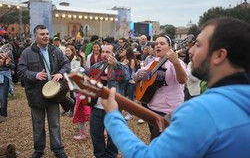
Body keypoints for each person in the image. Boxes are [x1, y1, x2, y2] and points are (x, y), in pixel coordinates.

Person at [100, 17, 250, 158]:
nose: (190, 51)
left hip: (169, 108)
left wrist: (113, 116)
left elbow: (149, 156)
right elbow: (138, 75)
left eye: (198, 45)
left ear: (219, 55)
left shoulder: (200, 112)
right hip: (153, 105)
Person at [18, 25, 70, 158]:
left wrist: (60, 73)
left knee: (55, 124)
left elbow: (66, 64)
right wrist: (34, 75)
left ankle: (58, 149)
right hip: (35, 94)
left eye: (47, 33)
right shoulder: (27, 53)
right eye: (42, 34)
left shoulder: (55, 50)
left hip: (53, 94)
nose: (46, 36)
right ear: (35, 36)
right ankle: (39, 149)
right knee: (38, 124)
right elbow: (21, 71)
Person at [135, 34, 187, 140]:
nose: (158, 46)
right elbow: (137, 77)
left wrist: (176, 62)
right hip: (152, 108)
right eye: (156, 44)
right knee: (155, 139)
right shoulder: (154, 63)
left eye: (162, 43)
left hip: (169, 111)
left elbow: (183, 80)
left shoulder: (177, 63)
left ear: (170, 48)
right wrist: (138, 74)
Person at [88, 44, 129, 158]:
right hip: (96, 106)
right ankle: (100, 155)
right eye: (103, 51)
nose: (105, 54)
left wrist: (116, 65)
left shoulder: (120, 66)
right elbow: (87, 77)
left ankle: (111, 155)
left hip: (113, 107)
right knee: (96, 135)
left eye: (108, 52)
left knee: (113, 135)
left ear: (114, 54)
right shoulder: (96, 65)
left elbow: (127, 76)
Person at [0, 47, 15, 123]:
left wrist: (8, 64)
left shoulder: (7, 51)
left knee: (3, 97)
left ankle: (3, 114)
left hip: (4, 76)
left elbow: (13, 66)